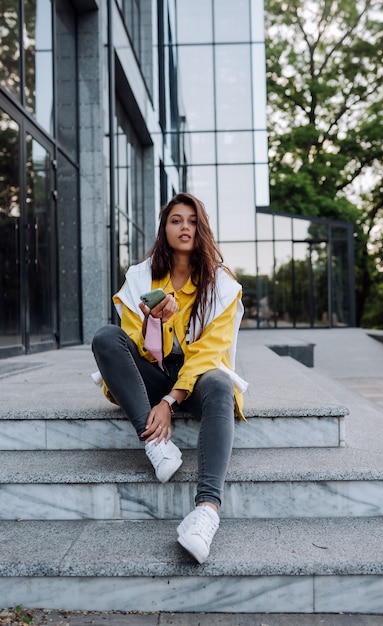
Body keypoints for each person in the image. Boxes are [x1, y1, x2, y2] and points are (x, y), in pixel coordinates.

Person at [92, 192, 248, 564]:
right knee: (105, 337)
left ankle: (206, 512)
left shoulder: (221, 283)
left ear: (202, 229)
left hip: (193, 385)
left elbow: (209, 353)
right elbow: (133, 349)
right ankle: (155, 445)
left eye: (193, 221)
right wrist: (156, 321)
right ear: (165, 228)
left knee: (219, 383)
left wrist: (169, 402)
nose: (185, 227)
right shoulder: (141, 277)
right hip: (153, 375)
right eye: (176, 220)